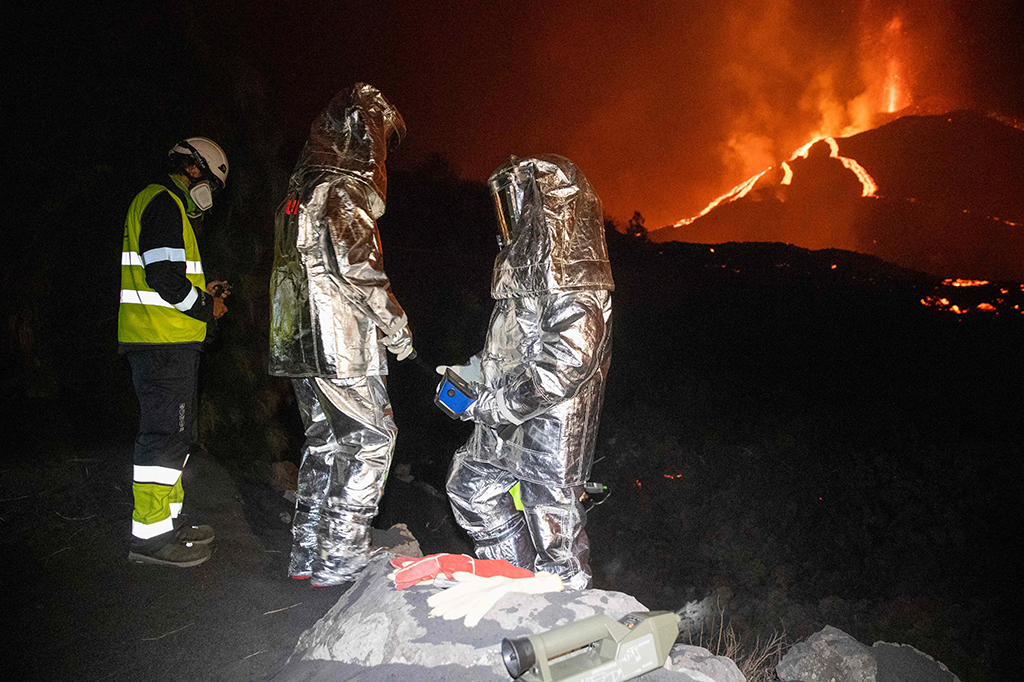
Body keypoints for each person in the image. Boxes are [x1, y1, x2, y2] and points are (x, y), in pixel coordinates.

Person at [442, 155, 614, 590]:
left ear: (548, 207)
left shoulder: (575, 280)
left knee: (554, 531)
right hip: (504, 421)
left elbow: (563, 366)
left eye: (514, 202)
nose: (507, 218)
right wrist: (475, 373)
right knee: (469, 488)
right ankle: (514, 580)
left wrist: (494, 402)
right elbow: (509, 345)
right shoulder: (526, 273)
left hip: (549, 429)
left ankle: (564, 619)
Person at [269, 83, 413, 587]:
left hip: (297, 344)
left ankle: (309, 552)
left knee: (325, 442)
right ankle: (341, 556)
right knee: (372, 438)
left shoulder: (299, 195)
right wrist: (396, 325)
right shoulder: (342, 190)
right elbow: (358, 268)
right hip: (339, 345)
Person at [118, 137, 230, 567]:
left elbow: (164, 278)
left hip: (163, 342)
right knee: (164, 438)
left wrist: (203, 293)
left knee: (175, 438)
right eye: (213, 188)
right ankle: (148, 539)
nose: (210, 201)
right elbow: (164, 276)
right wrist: (207, 306)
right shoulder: (164, 202)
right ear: (196, 170)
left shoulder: (163, 204)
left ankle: (167, 525)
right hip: (161, 344)